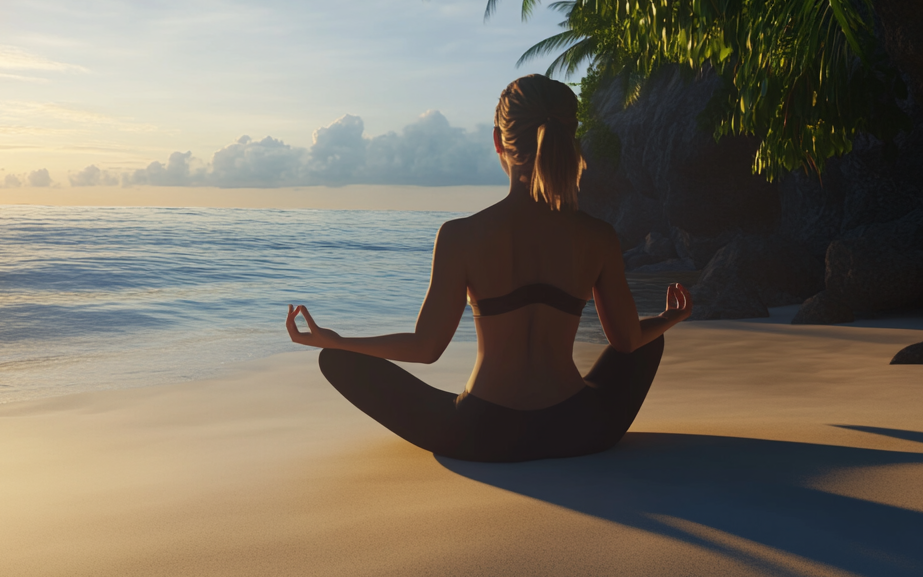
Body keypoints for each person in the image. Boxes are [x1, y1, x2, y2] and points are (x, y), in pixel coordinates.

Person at [284, 74, 692, 462]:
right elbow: (626, 341)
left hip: (481, 436)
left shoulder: (461, 236)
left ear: (498, 141)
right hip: (582, 430)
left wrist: (337, 340)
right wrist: (670, 318)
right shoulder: (598, 235)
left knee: (336, 360)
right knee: (647, 338)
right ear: (571, 140)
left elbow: (426, 349)